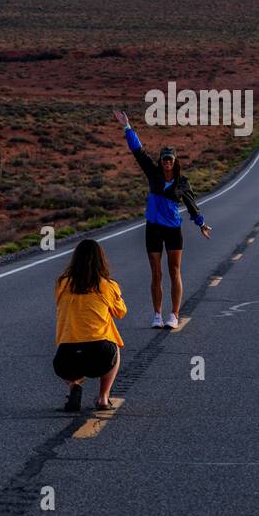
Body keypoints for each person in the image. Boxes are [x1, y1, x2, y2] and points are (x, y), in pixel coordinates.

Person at [113, 110, 211, 329]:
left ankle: (174, 314)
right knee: (155, 273)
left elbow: (192, 206)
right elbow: (138, 152)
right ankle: (157, 314)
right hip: (153, 229)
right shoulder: (153, 174)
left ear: (175, 162)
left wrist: (201, 223)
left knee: (174, 271)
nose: (166, 162)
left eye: (170, 159)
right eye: (164, 159)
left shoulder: (182, 183)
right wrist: (127, 127)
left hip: (173, 230)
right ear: (161, 161)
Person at [53, 239, 127, 411]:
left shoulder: (62, 283)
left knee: (67, 354)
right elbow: (121, 312)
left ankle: (73, 386)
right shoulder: (107, 285)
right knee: (115, 345)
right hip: (100, 353)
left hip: (66, 356)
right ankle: (103, 397)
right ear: (101, 261)